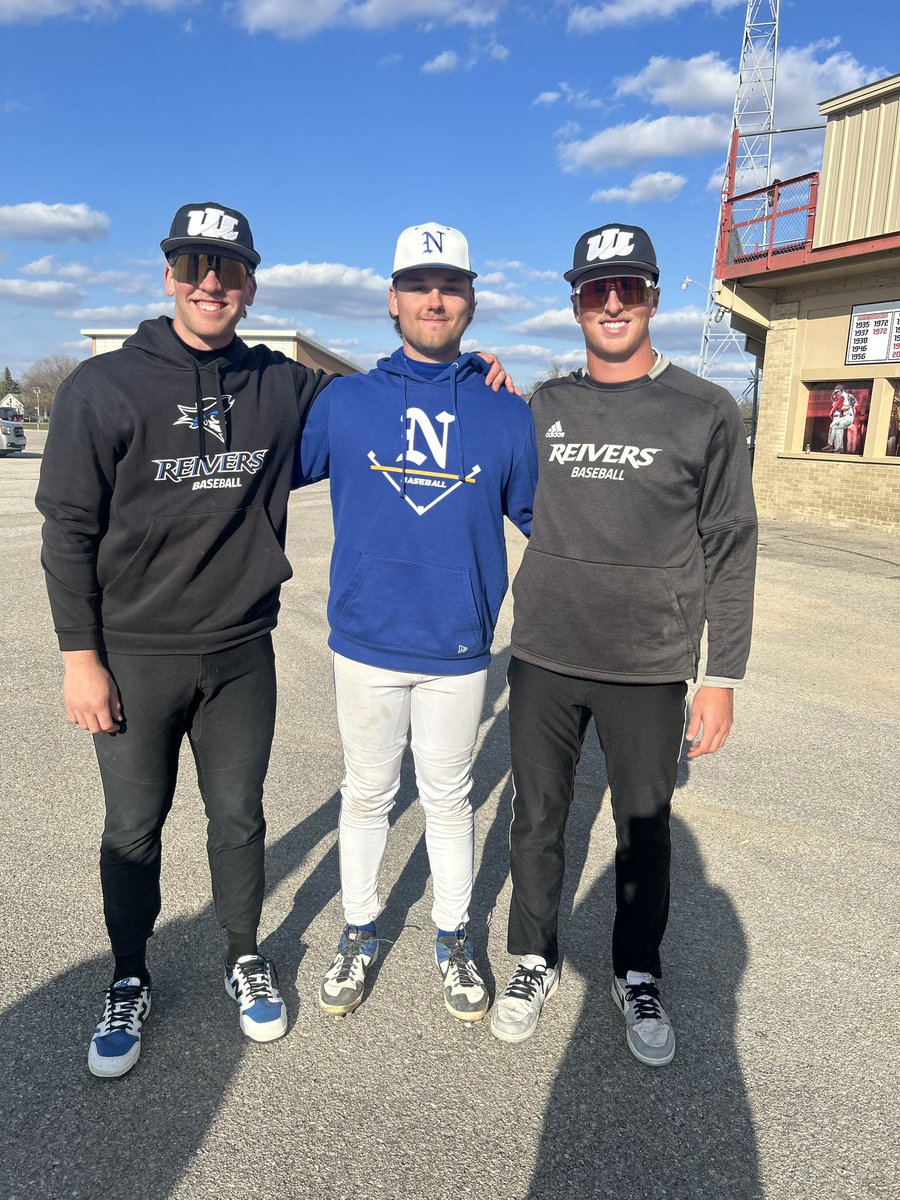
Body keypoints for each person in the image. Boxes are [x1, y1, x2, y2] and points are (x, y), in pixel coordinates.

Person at [36, 202, 513, 1079]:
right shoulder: (100, 388)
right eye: (194, 267)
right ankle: (130, 975)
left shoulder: (280, 384)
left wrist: (479, 375)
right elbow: (66, 526)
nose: (211, 283)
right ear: (168, 275)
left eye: (228, 269)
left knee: (238, 818)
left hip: (240, 647)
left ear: (251, 285)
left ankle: (242, 954)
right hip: (135, 651)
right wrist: (79, 656)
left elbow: (388, 401)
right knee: (134, 828)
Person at [490, 223, 758, 1064]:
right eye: (595, 289)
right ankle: (532, 956)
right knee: (537, 817)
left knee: (644, 828)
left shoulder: (704, 409)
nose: (612, 302)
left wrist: (722, 676)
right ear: (575, 302)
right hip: (544, 651)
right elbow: (498, 470)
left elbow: (731, 542)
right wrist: (480, 388)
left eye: (628, 287)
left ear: (651, 295)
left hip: (648, 665)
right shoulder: (546, 405)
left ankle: (636, 970)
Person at [297, 222, 537, 1022]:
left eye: (452, 285)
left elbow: (554, 522)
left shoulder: (507, 414)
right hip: (365, 639)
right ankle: (360, 929)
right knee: (366, 792)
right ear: (392, 300)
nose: (435, 298)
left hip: (459, 646)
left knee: (448, 797)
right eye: (419, 285)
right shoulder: (347, 401)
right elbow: (255, 470)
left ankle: (452, 937)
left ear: (470, 299)